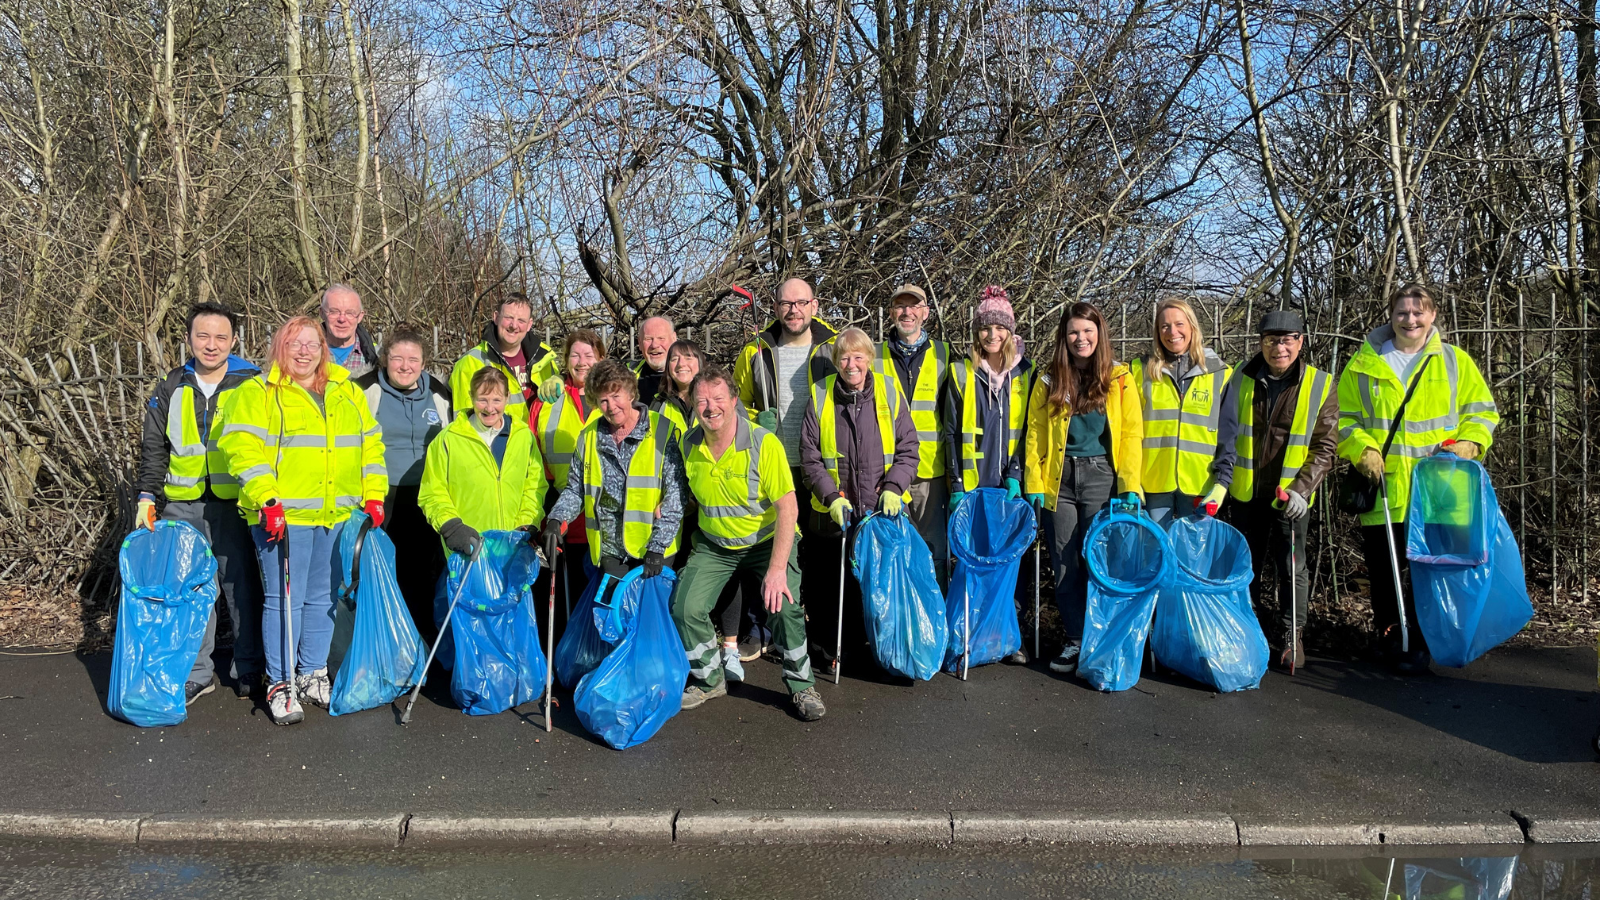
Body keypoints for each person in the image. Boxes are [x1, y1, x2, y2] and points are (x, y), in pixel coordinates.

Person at [220, 316, 387, 725]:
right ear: (280, 347)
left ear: (323, 349)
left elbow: (371, 445)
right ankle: (280, 682)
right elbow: (241, 447)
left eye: (312, 344)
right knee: (283, 601)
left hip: (335, 514)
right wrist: (267, 498)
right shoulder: (258, 393)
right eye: (294, 344)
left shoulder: (346, 391)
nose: (304, 351)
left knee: (323, 598)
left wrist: (375, 493)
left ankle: (311, 672)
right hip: (283, 518)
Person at [1337, 283, 1498, 674]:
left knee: (1433, 570)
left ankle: (1427, 641)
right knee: (1385, 570)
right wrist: (1362, 450)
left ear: (1433, 315)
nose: (1410, 319)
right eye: (1402, 312)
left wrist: (1470, 445)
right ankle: (1393, 638)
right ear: (1390, 315)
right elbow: (1341, 419)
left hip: (1439, 490)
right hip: (1386, 486)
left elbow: (1482, 413)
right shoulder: (1363, 364)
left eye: (1417, 312)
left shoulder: (1454, 362)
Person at [672, 367, 826, 720]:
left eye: (718, 399)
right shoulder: (687, 444)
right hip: (715, 545)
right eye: (702, 401)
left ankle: (803, 687)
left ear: (734, 401)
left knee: (784, 607)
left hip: (766, 541)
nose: (711, 408)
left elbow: (788, 507)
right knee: (685, 608)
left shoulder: (762, 442)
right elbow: (694, 498)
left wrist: (776, 570)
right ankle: (710, 680)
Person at [133, 302, 265, 702]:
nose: (211, 345)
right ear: (189, 339)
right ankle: (198, 672)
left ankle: (249, 668)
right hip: (182, 504)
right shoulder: (171, 385)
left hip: (236, 503)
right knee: (192, 590)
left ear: (235, 341)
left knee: (241, 587)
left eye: (221, 337)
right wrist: (145, 494)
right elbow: (155, 446)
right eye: (202, 336)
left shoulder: (253, 383)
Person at [1211, 310, 1338, 672]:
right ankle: (1244, 630)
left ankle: (1290, 635)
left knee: (1291, 567)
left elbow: (1325, 445)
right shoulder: (1240, 377)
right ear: (1261, 343)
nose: (1279, 348)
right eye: (1271, 340)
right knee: (1242, 565)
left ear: (1300, 341)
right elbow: (1226, 433)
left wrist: (1303, 488)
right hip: (1247, 491)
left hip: (1291, 497)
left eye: (1287, 340)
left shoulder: (1320, 384)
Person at [1022, 302, 1143, 674]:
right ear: (1065, 337)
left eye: (1088, 331)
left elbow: (1132, 434)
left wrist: (1129, 485)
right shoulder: (1048, 380)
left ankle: (1100, 638)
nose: (1081, 338)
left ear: (1099, 334)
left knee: (1101, 561)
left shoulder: (1119, 378)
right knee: (1064, 563)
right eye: (1074, 332)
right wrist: (1034, 480)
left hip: (1101, 477)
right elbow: (1036, 433)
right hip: (1060, 480)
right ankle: (1075, 639)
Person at [799, 327, 919, 674]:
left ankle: (884, 651)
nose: (852, 364)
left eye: (858, 356)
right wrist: (830, 495)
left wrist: (895, 487)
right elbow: (810, 456)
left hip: (881, 511)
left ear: (870, 358)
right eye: (844, 357)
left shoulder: (889, 392)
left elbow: (909, 449)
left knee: (881, 585)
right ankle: (837, 649)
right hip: (836, 512)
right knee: (834, 587)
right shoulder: (820, 395)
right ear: (836, 362)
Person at [942, 285, 1035, 664]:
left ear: (1011, 331)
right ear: (976, 332)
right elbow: (950, 430)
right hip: (972, 484)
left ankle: (1006, 637)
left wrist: (1017, 472)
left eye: (999, 328)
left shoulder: (1026, 374)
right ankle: (969, 636)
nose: (992, 335)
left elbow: (1030, 428)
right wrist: (956, 483)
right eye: (984, 328)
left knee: (1008, 563)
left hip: (1008, 486)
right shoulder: (962, 372)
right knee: (972, 561)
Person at [545, 360, 685, 594]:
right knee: (613, 620)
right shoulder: (588, 437)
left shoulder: (661, 430)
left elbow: (676, 494)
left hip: (652, 548)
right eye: (603, 400)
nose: (611, 406)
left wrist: (657, 547)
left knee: (648, 622)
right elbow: (575, 489)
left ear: (630, 393)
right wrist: (556, 520)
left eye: (616, 396)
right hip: (610, 549)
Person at [417, 366, 548, 610]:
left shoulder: (523, 436)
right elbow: (432, 492)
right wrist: (451, 527)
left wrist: (526, 523)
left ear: (507, 398)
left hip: (511, 549)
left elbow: (535, 485)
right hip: (468, 550)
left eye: (497, 400)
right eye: (482, 399)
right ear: (471, 397)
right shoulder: (448, 440)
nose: (489, 408)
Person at [354, 325, 453, 640]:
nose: (406, 366)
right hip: (382, 493)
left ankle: (423, 642)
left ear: (424, 362)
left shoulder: (439, 393)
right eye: (398, 358)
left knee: (425, 573)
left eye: (414, 359)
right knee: (385, 571)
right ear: (385, 358)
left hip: (427, 494)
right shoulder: (365, 390)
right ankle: (388, 641)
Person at [529, 328, 605, 638]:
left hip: (605, 518)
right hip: (562, 514)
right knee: (564, 597)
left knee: (600, 599)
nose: (582, 361)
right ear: (566, 360)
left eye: (589, 355)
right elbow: (533, 456)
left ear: (601, 358)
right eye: (575, 355)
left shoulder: (613, 396)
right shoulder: (547, 400)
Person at [877, 284, 954, 586]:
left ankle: (935, 621)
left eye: (914, 306)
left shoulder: (945, 355)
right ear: (891, 312)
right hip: (887, 473)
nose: (906, 312)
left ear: (926, 312)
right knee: (893, 553)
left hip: (930, 475)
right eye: (900, 306)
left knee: (935, 552)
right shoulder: (874, 357)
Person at [1132, 296, 1232, 524]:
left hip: (1200, 485)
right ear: (1157, 332)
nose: (1172, 331)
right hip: (1153, 483)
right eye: (1164, 326)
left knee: (1193, 556)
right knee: (1156, 554)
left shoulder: (1220, 373)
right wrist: (1129, 480)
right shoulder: (1139, 371)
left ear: (1192, 327)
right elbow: (1128, 432)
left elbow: (1228, 435)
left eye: (1179, 324)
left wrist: (1221, 483)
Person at [450, 292, 560, 424]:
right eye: (509, 317)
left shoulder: (545, 357)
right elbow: (464, 425)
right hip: (500, 443)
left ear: (529, 324)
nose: (514, 325)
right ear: (496, 317)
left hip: (539, 443)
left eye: (521, 320)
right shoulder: (470, 363)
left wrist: (561, 377)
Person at [320, 283, 379, 377]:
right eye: (334, 312)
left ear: (360, 317)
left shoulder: (377, 358)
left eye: (350, 313)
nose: (342, 319)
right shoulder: (304, 354)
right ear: (322, 313)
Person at [632, 316, 676, 407]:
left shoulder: (692, 376)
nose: (655, 345)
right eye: (648, 339)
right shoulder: (625, 376)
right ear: (639, 343)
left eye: (661, 338)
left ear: (674, 339)